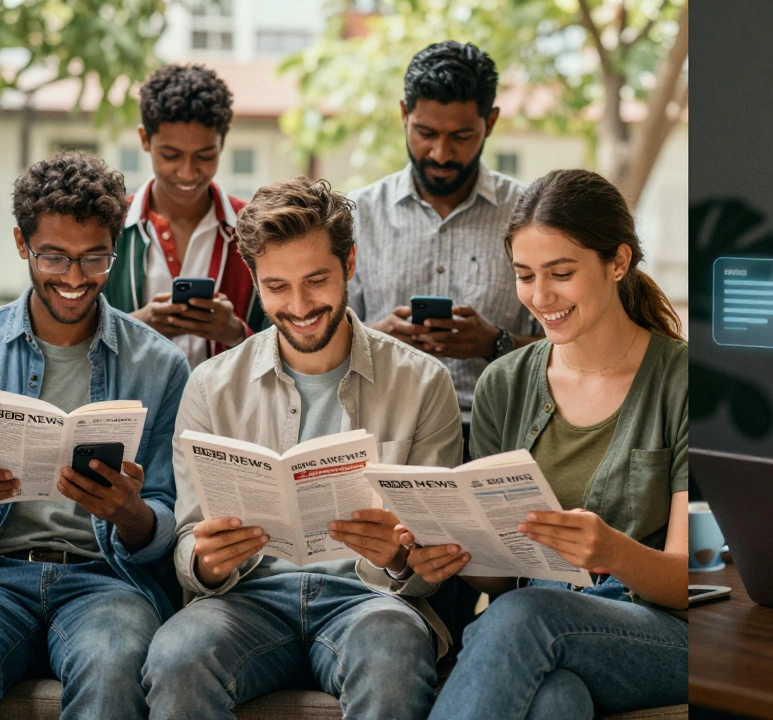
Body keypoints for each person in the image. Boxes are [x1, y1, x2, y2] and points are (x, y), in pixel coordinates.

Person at [142, 177, 463, 719]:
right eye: (277, 287)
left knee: (392, 649)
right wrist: (207, 560)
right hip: (245, 601)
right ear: (255, 281)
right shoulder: (210, 386)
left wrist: (400, 557)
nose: (299, 306)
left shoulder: (423, 383)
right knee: (177, 655)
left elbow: (435, 558)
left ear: (350, 263)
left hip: (369, 602)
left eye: (316, 280)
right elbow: (185, 542)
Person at [406, 169, 688, 719]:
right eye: (525, 275)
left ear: (619, 262)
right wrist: (448, 553)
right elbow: (498, 574)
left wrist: (613, 552)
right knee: (555, 702)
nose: (540, 296)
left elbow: (685, 582)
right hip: (543, 628)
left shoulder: (682, 382)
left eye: (561, 273)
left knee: (519, 616)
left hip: (661, 633)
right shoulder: (504, 383)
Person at [346, 38, 542, 643]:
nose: (440, 151)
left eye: (461, 136)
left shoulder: (528, 215)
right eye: (425, 132)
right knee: (406, 606)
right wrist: (376, 336)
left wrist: (494, 341)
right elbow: (326, 339)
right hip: (393, 439)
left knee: (495, 603)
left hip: (501, 441)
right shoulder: (360, 214)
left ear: (491, 122)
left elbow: (567, 346)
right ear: (403, 114)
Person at [0, 151, 189, 718]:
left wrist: (130, 513)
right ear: (21, 244)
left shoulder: (160, 365)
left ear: (116, 247)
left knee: (114, 664)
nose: (76, 279)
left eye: (95, 258)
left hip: (106, 581)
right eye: (54, 257)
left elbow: (174, 519)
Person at [102, 63, 267, 368]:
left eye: (205, 156)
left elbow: (290, 345)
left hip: (228, 414)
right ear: (144, 140)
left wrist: (235, 333)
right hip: (134, 413)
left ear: (223, 141)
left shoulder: (260, 231)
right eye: (170, 155)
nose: (188, 172)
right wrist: (135, 326)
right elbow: (73, 339)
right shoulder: (107, 227)